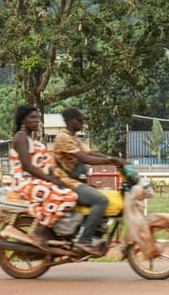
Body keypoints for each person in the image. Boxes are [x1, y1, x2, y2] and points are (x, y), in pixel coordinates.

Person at [52, 106, 127, 255]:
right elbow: (84, 158)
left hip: (76, 181)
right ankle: (84, 240)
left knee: (106, 196)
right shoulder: (63, 138)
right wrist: (109, 162)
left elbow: (91, 153)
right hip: (67, 183)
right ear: (69, 121)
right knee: (101, 200)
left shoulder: (73, 138)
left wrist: (114, 160)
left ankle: (94, 232)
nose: (82, 122)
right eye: (79, 120)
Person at [9, 105, 78, 250]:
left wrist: (59, 180)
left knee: (69, 193)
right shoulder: (21, 137)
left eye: (38, 118)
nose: (36, 121)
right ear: (23, 120)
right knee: (68, 197)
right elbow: (27, 166)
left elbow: (46, 166)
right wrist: (51, 180)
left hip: (35, 181)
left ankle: (53, 229)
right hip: (24, 182)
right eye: (32, 117)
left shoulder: (32, 140)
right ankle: (39, 231)